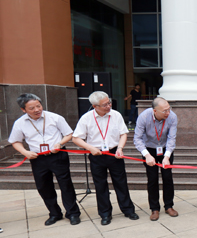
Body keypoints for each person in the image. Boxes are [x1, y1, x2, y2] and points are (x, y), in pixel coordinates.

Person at [8, 93, 81, 226]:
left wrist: (59, 143)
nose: (37, 110)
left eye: (38, 106)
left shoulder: (55, 117)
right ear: (23, 109)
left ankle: (73, 213)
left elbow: (69, 134)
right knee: (43, 187)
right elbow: (15, 141)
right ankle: (54, 213)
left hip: (57, 156)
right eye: (31, 108)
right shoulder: (19, 123)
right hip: (37, 158)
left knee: (66, 185)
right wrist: (25, 152)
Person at [73, 91, 138, 226]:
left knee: (121, 183)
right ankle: (105, 213)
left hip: (115, 153)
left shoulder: (116, 115)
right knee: (100, 185)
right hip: (96, 155)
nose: (108, 106)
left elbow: (123, 134)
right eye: (104, 105)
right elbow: (76, 138)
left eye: (109, 102)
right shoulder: (86, 118)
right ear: (95, 106)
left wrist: (120, 148)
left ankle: (128, 209)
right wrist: (90, 148)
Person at [133, 97, 179, 221]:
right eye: (164, 111)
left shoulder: (172, 117)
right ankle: (154, 208)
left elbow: (171, 138)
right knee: (152, 179)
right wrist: (147, 155)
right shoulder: (144, 117)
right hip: (149, 149)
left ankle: (169, 206)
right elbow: (137, 138)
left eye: (169, 109)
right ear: (155, 111)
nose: (168, 113)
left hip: (165, 149)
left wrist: (167, 156)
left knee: (167, 177)